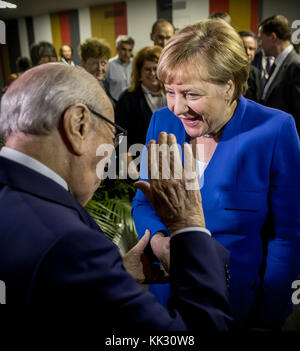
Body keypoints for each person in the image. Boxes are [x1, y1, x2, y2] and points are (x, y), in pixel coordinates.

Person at [0, 63, 232, 331]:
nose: (111, 156)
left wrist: (111, 275)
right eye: (112, 135)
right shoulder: (70, 244)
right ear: (78, 124)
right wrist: (189, 224)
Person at [132, 19, 300, 330]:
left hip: (238, 308)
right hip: (167, 303)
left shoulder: (276, 130)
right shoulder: (161, 121)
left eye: (191, 94)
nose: (178, 107)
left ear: (229, 86)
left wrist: (268, 317)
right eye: (170, 91)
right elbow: (144, 200)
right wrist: (158, 242)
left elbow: (288, 237)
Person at [115, 46, 167, 176]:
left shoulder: (172, 95)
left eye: (156, 68)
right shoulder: (128, 98)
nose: (152, 73)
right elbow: (120, 135)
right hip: (138, 165)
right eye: (147, 69)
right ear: (139, 73)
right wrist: (129, 165)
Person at [259, 14, 300, 135]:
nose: (260, 44)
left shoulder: (296, 66)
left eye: (261, 38)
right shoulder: (278, 64)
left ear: (272, 37)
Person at [79, 37, 112, 102]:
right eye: (94, 63)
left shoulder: (103, 84)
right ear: (83, 63)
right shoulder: (79, 90)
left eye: (103, 63)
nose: (100, 68)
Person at [105, 35, 135, 103]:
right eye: (124, 49)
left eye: (129, 50)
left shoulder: (135, 64)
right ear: (117, 49)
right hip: (115, 103)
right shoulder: (109, 65)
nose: (126, 53)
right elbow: (104, 87)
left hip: (133, 103)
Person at [239, 30, 262, 102]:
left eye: (251, 49)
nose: (248, 52)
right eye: (243, 48)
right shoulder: (226, 72)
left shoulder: (256, 73)